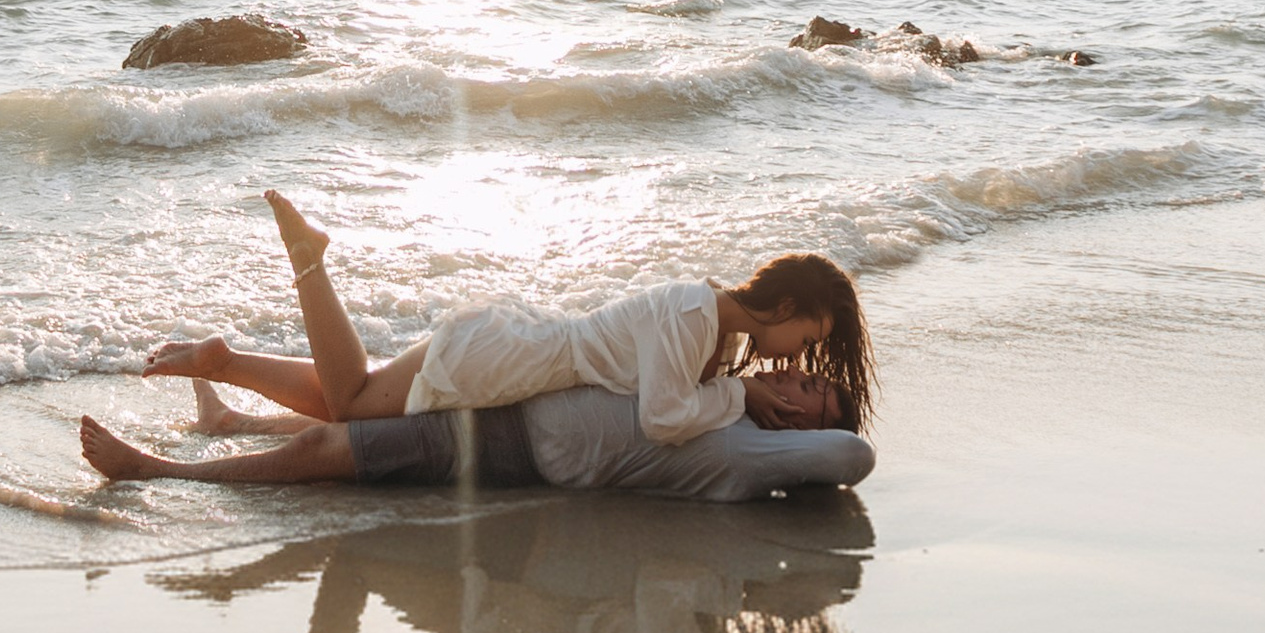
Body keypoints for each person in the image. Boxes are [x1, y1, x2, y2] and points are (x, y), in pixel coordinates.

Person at [76, 194, 878, 493]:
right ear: (787, 304)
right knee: (353, 402)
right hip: (511, 362)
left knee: (351, 405)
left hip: (510, 342)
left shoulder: (708, 329)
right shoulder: (696, 320)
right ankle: (311, 266)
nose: (802, 355)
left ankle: (231, 365)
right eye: (813, 333)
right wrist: (739, 395)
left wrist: (741, 390)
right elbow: (668, 419)